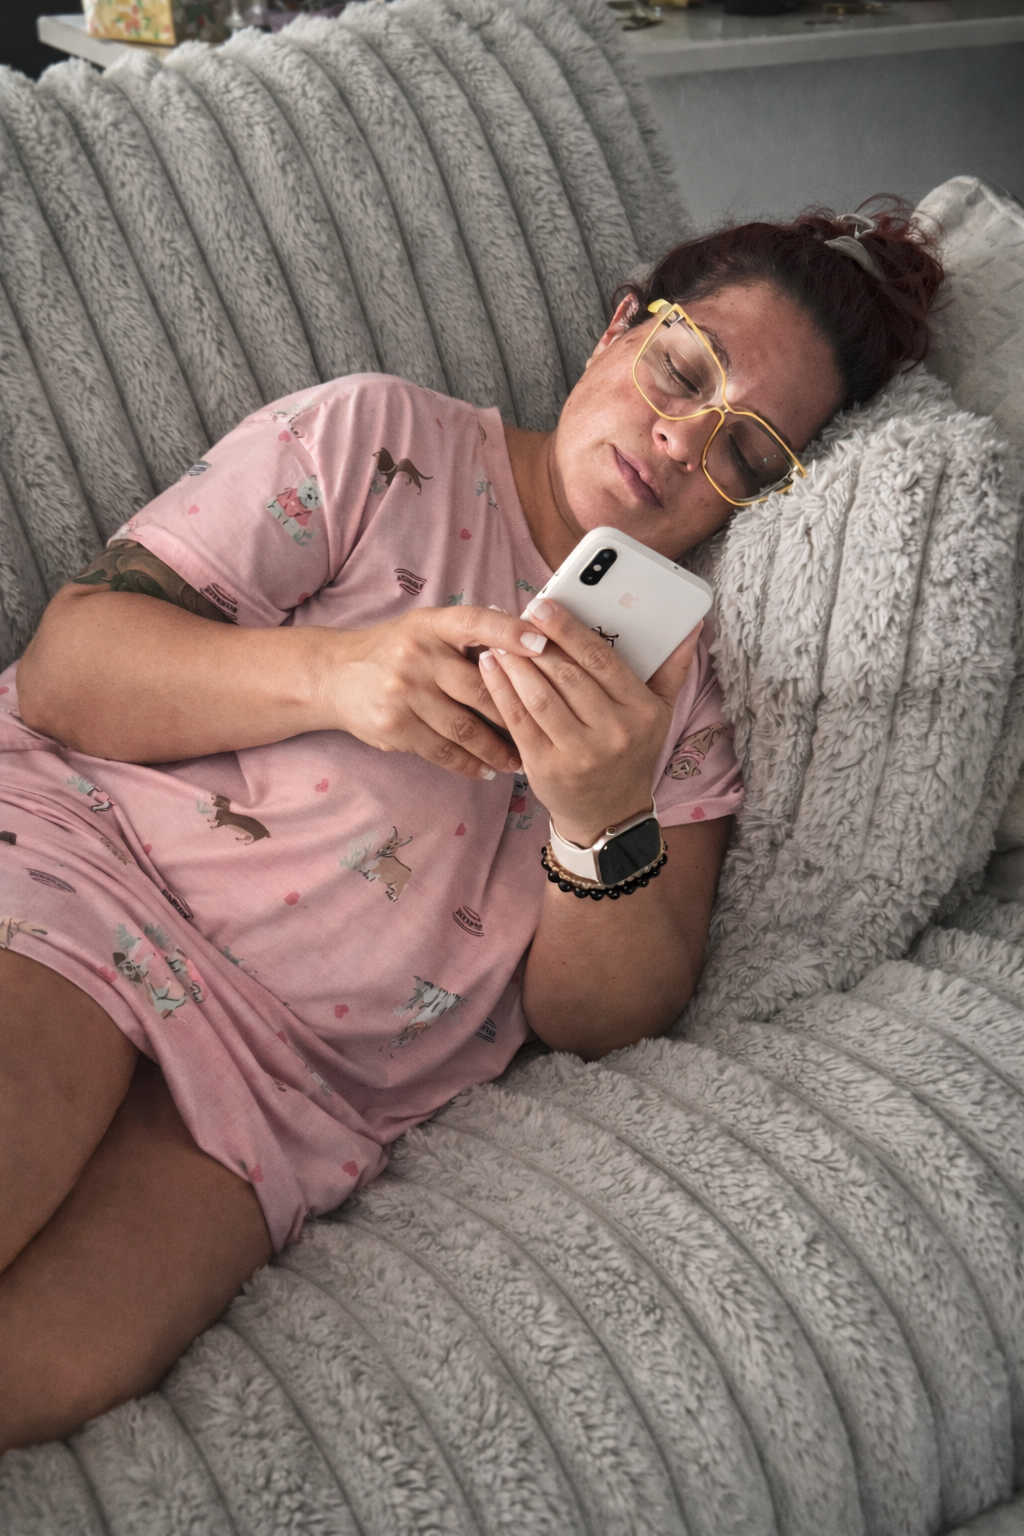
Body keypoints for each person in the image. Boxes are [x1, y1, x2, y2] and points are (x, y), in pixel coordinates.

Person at [0, 202, 943, 1451]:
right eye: (680, 369)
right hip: (90, 880)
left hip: (296, 1094)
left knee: (43, 1376)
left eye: (746, 453)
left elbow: (599, 1019)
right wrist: (339, 677)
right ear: (622, 326)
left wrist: (596, 821)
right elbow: (70, 670)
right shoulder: (380, 439)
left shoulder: (684, 686)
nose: (679, 439)